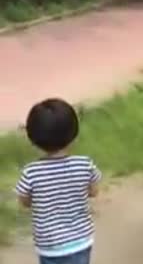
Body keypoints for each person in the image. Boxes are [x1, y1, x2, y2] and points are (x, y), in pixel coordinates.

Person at [15, 98, 101, 264]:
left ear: (33, 138)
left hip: (49, 246)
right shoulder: (84, 164)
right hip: (81, 241)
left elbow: (24, 201)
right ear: (73, 133)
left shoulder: (31, 172)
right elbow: (94, 191)